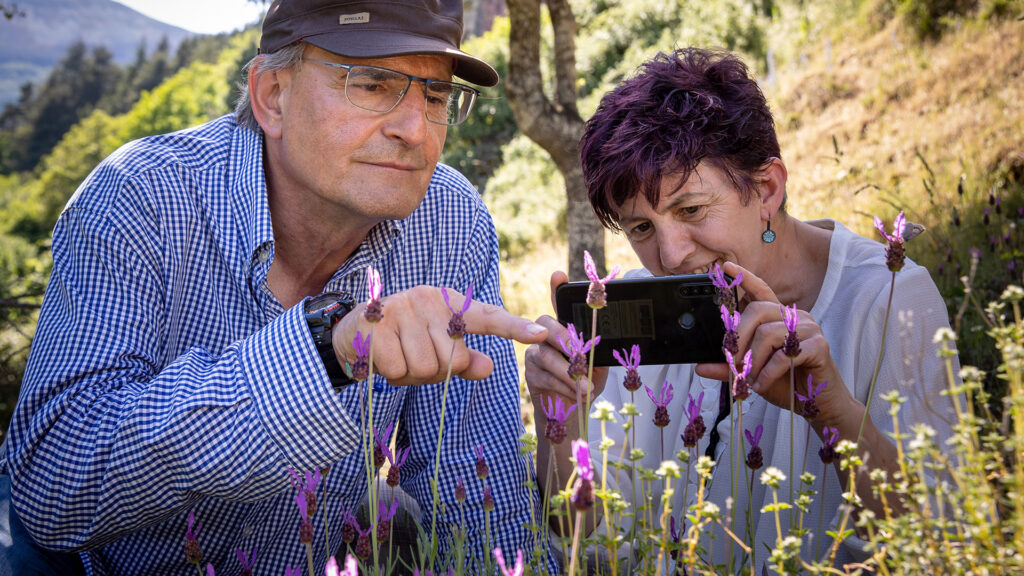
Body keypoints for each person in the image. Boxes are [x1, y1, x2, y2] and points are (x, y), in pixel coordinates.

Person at [1, 1, 553, 574]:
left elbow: (476, 492)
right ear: (272, 96)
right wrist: (324, 351)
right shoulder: (138, 199)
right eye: (370, 84)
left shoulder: (450, 222)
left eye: (435, 97)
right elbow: (51, 490)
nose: (415, 130)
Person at [526, 47, 958, 571]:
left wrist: (832, 413)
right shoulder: (635, 307)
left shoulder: (887, 298)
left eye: (691, 209)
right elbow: (583, 535)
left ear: (767, 188)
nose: (670, 254)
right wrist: (562, 424)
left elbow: (937, 537)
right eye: (641, 227)